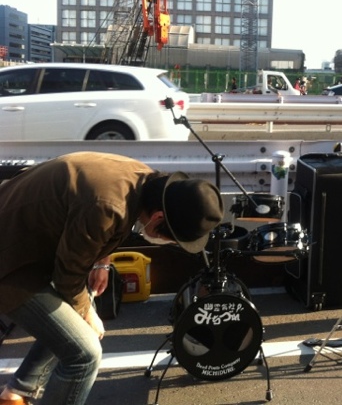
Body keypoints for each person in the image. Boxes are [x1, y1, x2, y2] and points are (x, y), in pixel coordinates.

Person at [0, 152, 224, 405]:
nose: (168, 242)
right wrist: (86, 313)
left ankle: (15, 393)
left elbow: (96, 223)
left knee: (78, 316)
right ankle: (19, 391)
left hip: (26, 243)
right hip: (11, 264)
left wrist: (101, 262)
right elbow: (68, 276)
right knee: (84, 354)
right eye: (171, 237)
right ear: (158, 217)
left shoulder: (141, 178)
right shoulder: (108, 206)